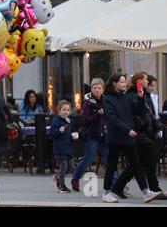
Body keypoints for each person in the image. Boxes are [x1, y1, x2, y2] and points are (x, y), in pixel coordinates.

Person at [101, 73, 161, 203]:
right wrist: (127, 129)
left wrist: (140, 98)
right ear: (114, 84)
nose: (124, 84)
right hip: (116, 137)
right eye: (121, 82)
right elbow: (112, 118)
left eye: (124, 82)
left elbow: (137, 111)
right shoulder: (107, 99)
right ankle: (106, 192)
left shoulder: (126, 97)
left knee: (136, 164)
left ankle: (146, 192)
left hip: (129, 136)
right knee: (112, 165)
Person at [114, 72, 166, 199]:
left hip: (145, 133)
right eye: (145, 79)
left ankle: (117, 188)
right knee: (149, 160)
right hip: (140, 134)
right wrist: (142, 126)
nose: (147, 81)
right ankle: (154, 189)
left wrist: (155, 125)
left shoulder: (142, 94)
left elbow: (148, 113)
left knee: (137, 164)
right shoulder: (132, 95)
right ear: (139, 81)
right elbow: (135, 113)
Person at [71, 78, 113, 192]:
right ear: (91, 89)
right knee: (87, 160)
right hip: (93, 135)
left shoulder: (106, 101)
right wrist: (97, 115)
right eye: (95, 88)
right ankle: (75, 179)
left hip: (105, 135)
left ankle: (115, 183)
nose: (97, 90)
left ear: (103, 89)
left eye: (99, 88)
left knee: (109, 159)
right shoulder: (88, 103)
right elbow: (85, 120)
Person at [50, 100, 79, 193]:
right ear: (59, 111)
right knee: (64, 165)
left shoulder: (69, 121)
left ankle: (58, 177)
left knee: (70, 166)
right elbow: (52, 133)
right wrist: (59, 130)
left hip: (68, 147)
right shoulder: (56, 120)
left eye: (68, 110)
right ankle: (61, 186)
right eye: (64, 110)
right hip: (60, 148)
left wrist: (73, 136)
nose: (66, 112)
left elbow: (68, 133)